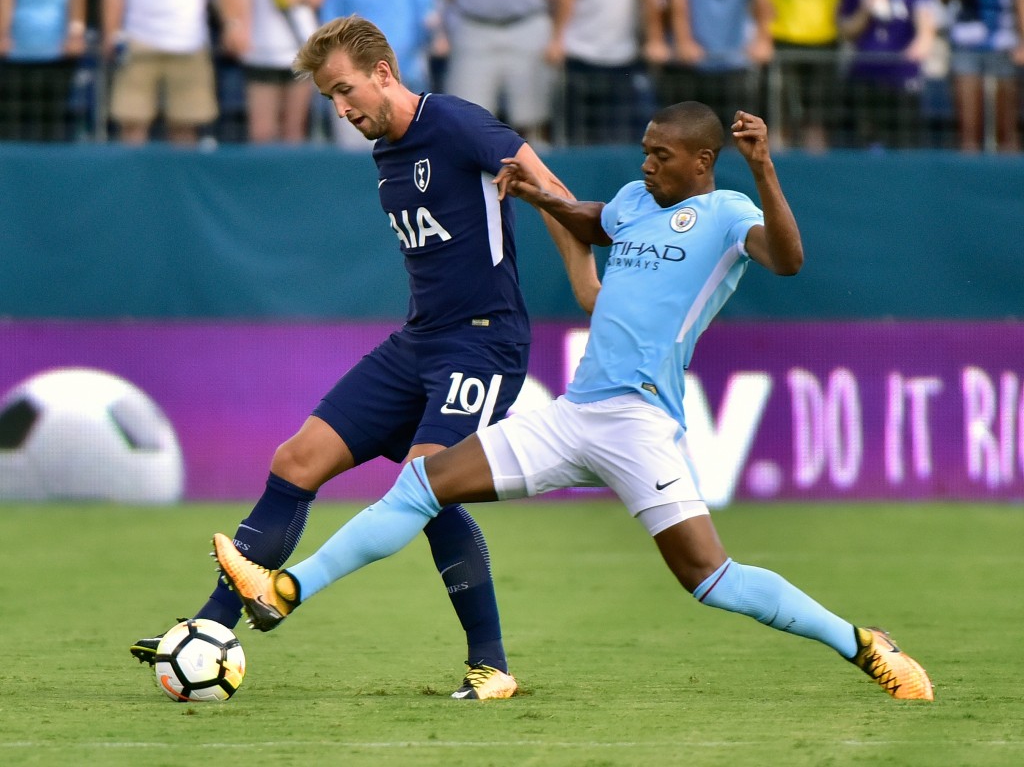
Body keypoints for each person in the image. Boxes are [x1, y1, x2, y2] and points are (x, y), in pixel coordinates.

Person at [211, 101, 935, 702]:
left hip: (640, 424)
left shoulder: (725, 211)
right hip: (574, 413)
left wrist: (766, 166)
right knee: (424, 483)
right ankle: (284, 589)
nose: (646, 164)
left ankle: (864, 644)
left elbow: (788, 258)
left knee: (710, 579)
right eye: (645, 151)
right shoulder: (633, 202)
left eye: (661, 155)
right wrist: (539, 196)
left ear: (701, 161)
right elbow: (595, 221)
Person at [130, 14, 597, 702]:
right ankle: (207, 630)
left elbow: (548, 186)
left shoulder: (458, 124)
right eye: (329, 99)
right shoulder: (386, 150)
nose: (342, 110)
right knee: (296, 462)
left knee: (424, 486)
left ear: (385, 73)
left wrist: (588, 286)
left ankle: (490, 666)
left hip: (483, 339)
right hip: (419, 341)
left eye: (346, 91)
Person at [317, 0, 438, 149]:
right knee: (354, 153)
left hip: (407, 76)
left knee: (411, 150)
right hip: (353, 83)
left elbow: (427, 20)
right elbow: (329, 29)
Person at [101, 0, 218, 145]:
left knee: (186, 124)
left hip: (189, 42)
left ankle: (181, 170)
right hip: (137, 42)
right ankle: (132, 169)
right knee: (132, 122)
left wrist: (233, 23)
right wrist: (112, 32)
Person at [648, 0, 774, 132]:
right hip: (690, 68)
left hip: (733, 67)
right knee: (685, 134)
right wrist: (683, 41)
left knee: (734, 134)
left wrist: (763, 40)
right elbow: (677, 2)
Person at [440, 0, 554, 146]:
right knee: (465, 119)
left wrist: (558, 35)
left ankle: (534, 168)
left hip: (527, 21)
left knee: (532, 122)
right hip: (473, 24)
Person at [546, 0, 659, 145]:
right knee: (578, 136)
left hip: (623, 59)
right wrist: (557, 40)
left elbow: (650, 1)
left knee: (620, 133)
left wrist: (655, 40)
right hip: (580, 57)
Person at [218, 0, 323, 144]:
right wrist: (234, 25)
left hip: (300, 49)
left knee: (294, 131)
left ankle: (291, 168)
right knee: (262, 133)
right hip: (260, 52)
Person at [838, 0, 938, 149]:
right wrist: (865, 9)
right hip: (864, 77)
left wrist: (910, 57)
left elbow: (925, 31)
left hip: (902, 80)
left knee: (904, 144)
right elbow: (846, 31)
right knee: (864, 143)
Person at [0, 0, 87, 141]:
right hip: (15, 55)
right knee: (11, 126)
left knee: (52, 127)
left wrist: (75, 34)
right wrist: (2, 33)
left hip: (58, 56)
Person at [944, 0, 1024, 152]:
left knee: (1006, 128)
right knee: (969, 128)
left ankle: (1009, 175)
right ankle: (967, 175)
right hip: (966, 45)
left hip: (1005, 46)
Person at [767, 0, 842, 150]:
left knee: (818, 111)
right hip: (784, 38)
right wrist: (763, 35)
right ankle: (778, 158)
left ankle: (817, 161)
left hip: (825, 40)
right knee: (782, 108)